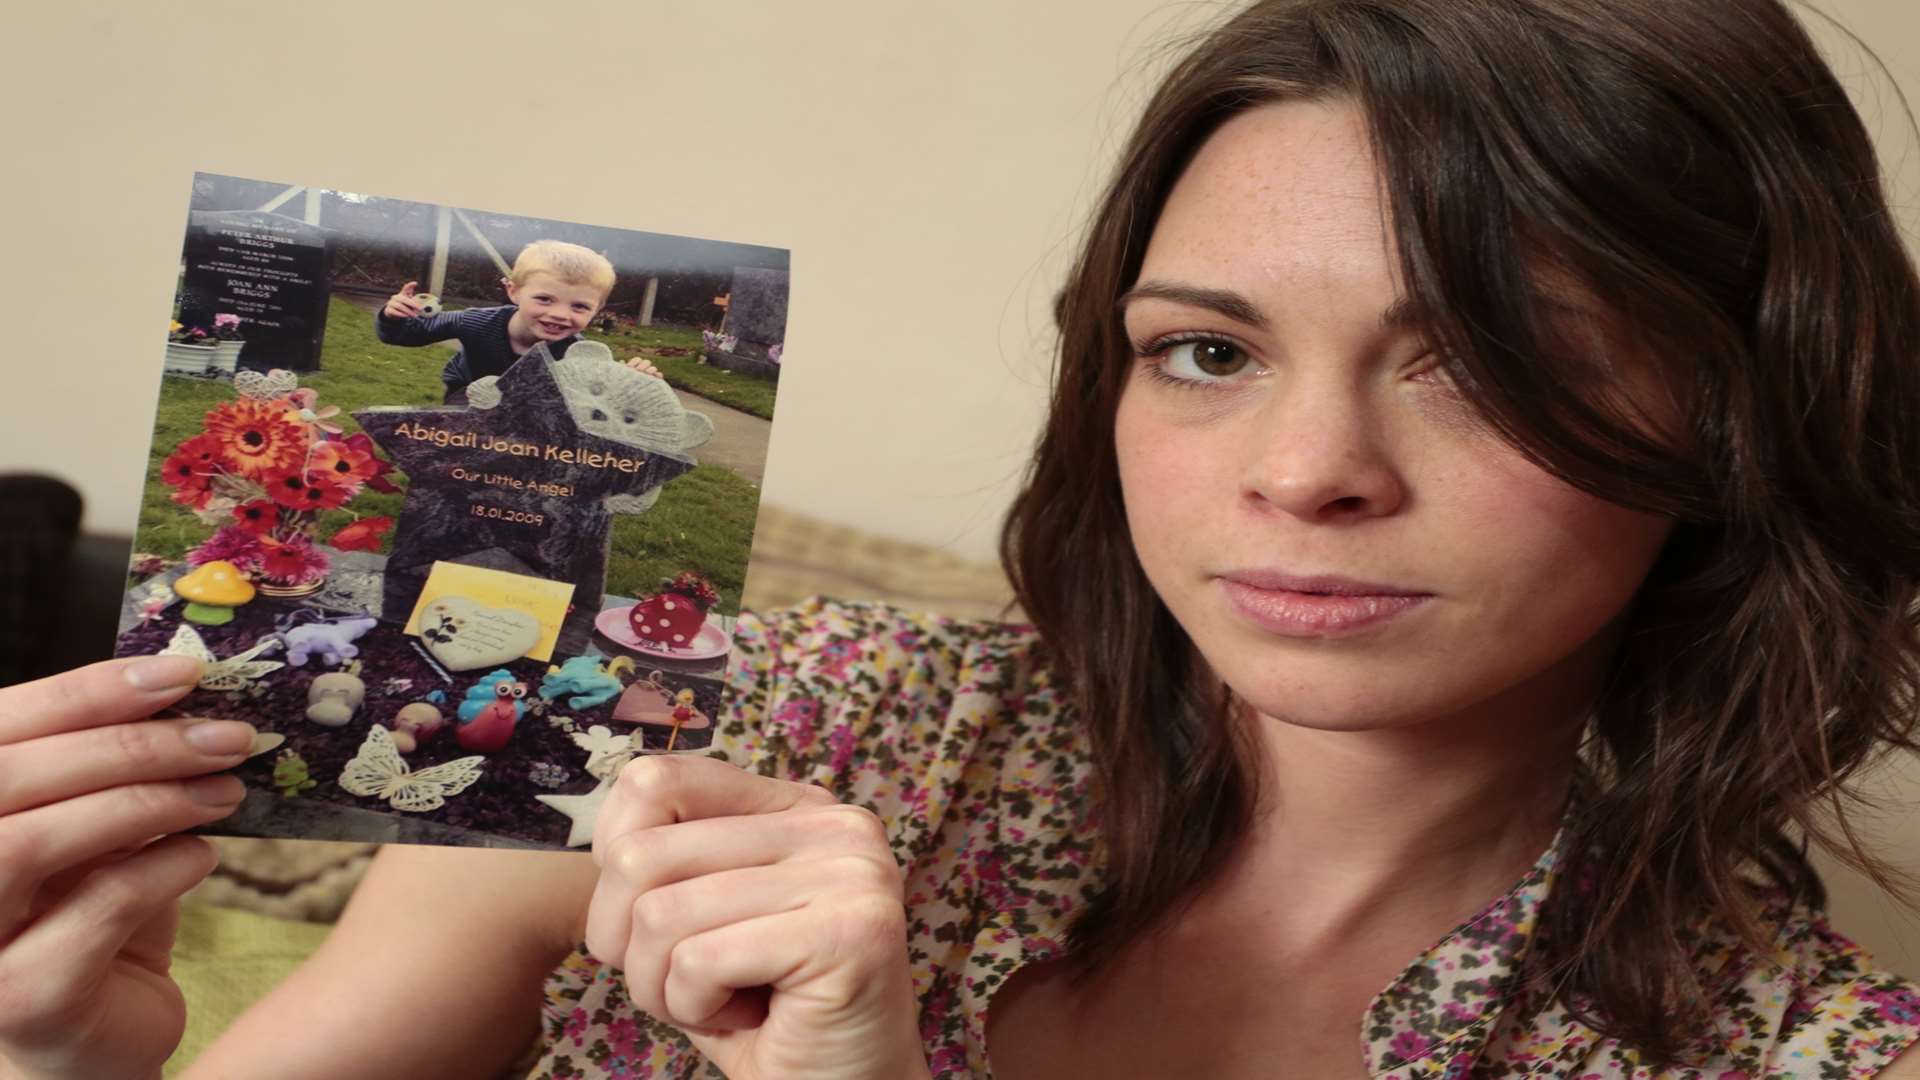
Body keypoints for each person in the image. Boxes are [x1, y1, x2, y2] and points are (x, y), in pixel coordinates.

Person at [5, 0, 1920, 1076]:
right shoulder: (715, 743)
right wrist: (64, 1065)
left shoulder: (1804, 1056)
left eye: (1480, 368)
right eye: (1207, 352)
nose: (1308, 468)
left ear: (1731, 424)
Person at [376, 238, 658, 405]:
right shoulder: (475, 322)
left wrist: (635, 381)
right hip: (467, 397)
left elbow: (602, 399)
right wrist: (394, 316)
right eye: (545, 299)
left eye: (579, 306)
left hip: (534, 411)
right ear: (514, 291)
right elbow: (405, 334)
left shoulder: (579, 355)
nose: (560, 314)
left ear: (598, 309)